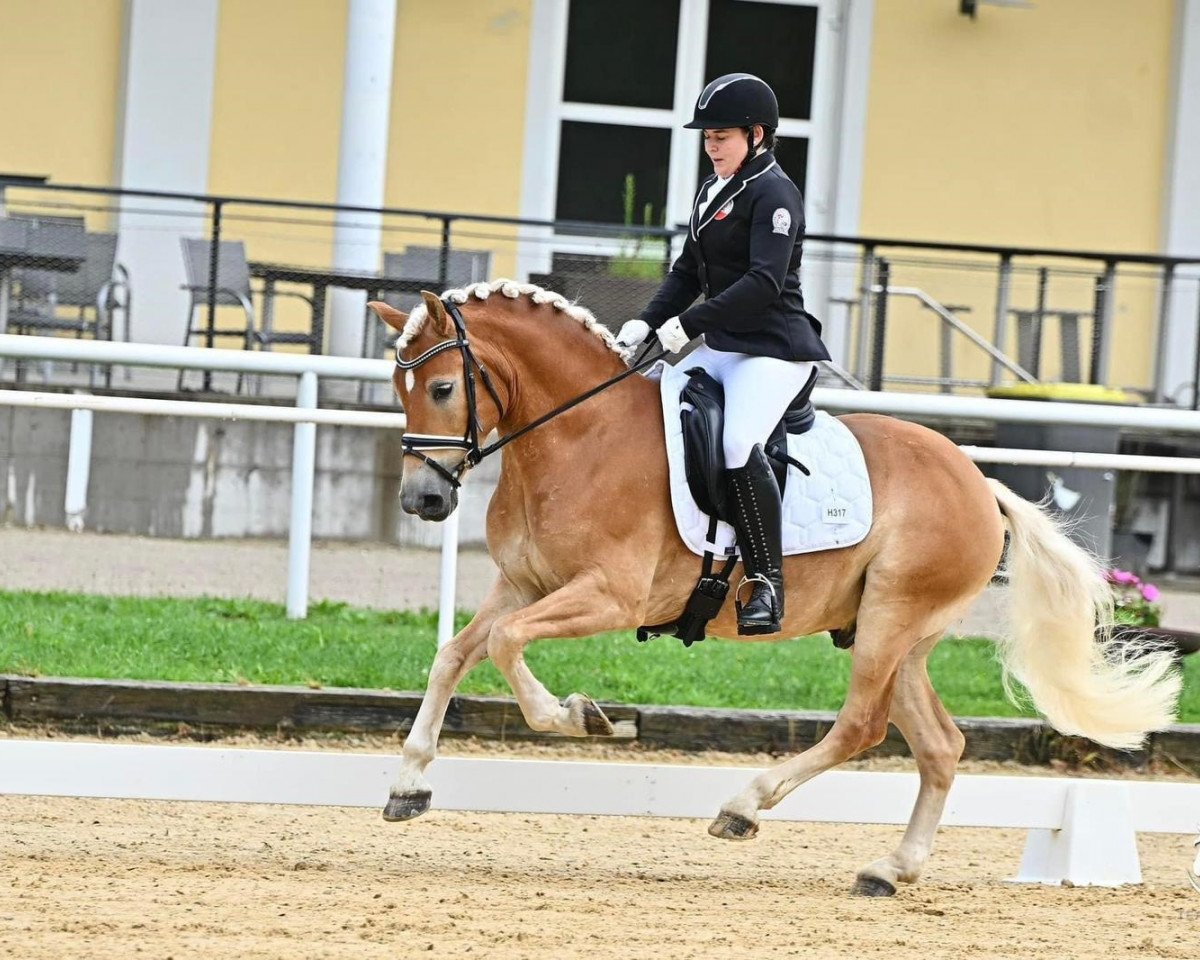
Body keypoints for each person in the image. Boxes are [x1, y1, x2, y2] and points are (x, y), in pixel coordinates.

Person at [615, 72, 831, 636]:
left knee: (737, 441)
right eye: (707, 137)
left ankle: (766, 581)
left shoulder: (775, 194)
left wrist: (687, 324)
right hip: (728, 344)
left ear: (756, 135)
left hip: (775, 349)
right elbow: (688, 271)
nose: (711, 146)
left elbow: (763, 283)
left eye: (722, 136)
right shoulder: (714, 189)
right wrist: (647, 320)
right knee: (654, 405)